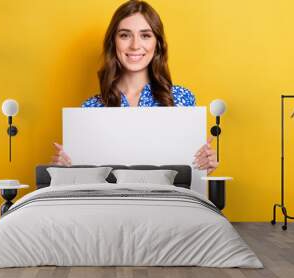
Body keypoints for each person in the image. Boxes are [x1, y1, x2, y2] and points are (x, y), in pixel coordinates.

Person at [51, 0, 218, 174]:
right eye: (125, 35)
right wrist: (66, 169)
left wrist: (205, 165)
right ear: (113, 42)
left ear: (157, 44)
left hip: (166, 201)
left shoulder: (181, 99)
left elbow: (189, 173)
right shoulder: (90, 108)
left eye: (145, 35)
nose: (135, 45)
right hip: (109, 200)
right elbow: (86, 180)